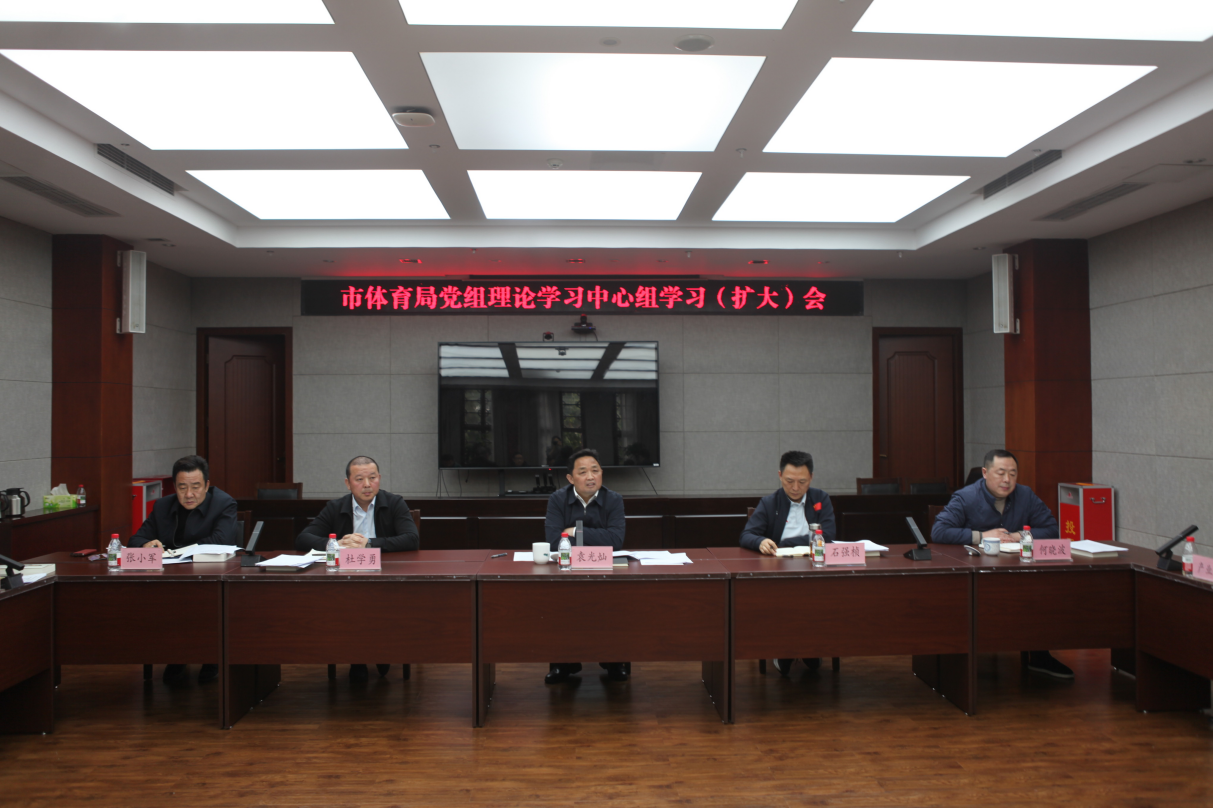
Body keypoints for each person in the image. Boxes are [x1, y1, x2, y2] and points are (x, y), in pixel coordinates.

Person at [931, 448, 1073, 679]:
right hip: (976, 575)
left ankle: (1039, 654)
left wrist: (1017, 536)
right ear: (985, 472)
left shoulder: (1026, 495)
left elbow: (1052, 530)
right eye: (1001, 473)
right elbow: (939, 531)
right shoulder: (966, 497)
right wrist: (982, 536)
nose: (1007, 479)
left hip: (1019, 573)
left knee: (1044, 592)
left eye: (1013, 474)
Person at [296, 455, 420, 682]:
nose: (367, 485)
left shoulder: (394, 503)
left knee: (379, 602)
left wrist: (369, 543)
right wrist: (336, 544)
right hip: (346, 580)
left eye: (372, 478)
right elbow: (303, 538)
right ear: (348, 483)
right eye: (359, 479)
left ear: (379, 478)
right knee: (349, 602)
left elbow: (412, 539)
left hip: (385, 577)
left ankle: (381, 650)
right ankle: (358, 659)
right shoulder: (335, 507)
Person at [131, 454, 238, 685]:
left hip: (210, 579)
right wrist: (146, 545)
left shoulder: (224, 503)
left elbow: (221, 541)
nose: (189, 494)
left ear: (207, 485)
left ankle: (211, 656)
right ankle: (177, 654)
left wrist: (177, 553)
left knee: (202, 601)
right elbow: (136, 539)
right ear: (175, 487)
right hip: (170, 582)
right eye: (182, 487)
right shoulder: (162, 506)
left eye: (195, 487)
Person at [739, 449, 836, 677]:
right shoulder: (769, 502)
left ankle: (812, 647)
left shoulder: (820, 499)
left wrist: (785, 543)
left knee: (821, 599)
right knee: (785, 600)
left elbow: (829, 535)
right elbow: (746, 535)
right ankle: (782, 649)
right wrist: (761, 541)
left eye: (802, 482)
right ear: (780, 475)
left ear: (811, 478)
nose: (795, 488)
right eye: (789, 481)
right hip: (778, 572)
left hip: (815, 570)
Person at [542, 448, 627, 684]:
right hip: (567, 570)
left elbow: (616, 541)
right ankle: (562, 663)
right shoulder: (558, 499)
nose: (590, 477)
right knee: (561, 606)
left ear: (602, 473)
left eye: (595, 471)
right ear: (570, 478)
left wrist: (574, 531)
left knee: (614, 605)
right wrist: (596, 537)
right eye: (583, 472)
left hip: (606, 569)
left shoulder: (614, 499)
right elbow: (554, 542)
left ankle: (615, 661)